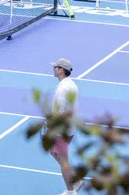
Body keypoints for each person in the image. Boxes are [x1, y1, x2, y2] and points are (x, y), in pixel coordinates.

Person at [48, 58, 79, 195]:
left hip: (61, 129)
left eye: (56, 67)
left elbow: (59, 112)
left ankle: (71, 191)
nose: (53, 69)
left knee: (63, 160)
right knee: (53, 152)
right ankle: (75, 179)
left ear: (61, 70)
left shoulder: (62, 89)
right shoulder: (71, 84)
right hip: (70, 127)